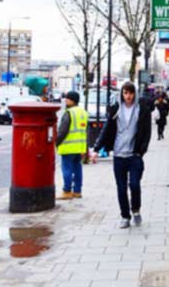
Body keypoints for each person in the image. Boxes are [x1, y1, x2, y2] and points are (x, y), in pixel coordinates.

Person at [95, 81, 153, 228]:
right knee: (121, 188)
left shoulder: (141, 109)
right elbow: (107, 129)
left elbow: (147, 132)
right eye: (125, 93)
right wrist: (96, 148)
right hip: (119, 155)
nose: (128, 96)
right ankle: (125, 216)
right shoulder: (116, 109)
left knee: (134, 184)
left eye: (131, 93)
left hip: (134, 155)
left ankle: (136, 210)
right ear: (121, 94)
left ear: (135, 93)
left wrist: (141, 151)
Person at [56, 91, 88, 200]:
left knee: (67, 170)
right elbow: (85, 131)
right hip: (79, 147)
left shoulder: (69, 113)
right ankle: (77, 191)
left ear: (73, 100)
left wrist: (56, 142)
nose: (65, 100)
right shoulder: (83, 112)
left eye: (68, 98)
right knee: (78, 169)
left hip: (68, 147)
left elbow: (62, 131)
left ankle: (67, 191)